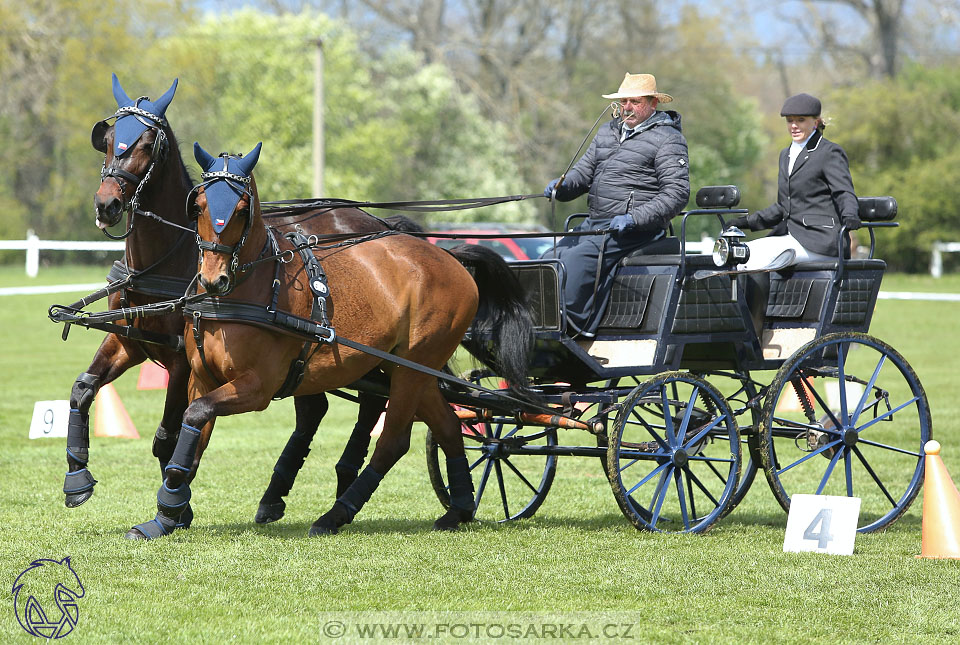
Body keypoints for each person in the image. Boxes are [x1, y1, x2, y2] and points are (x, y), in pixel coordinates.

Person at [542, 73, 689, 337]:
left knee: (575, 261)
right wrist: (561, 188)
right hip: (597, 224)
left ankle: (572, 329)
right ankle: (541, 321)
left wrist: (634, 218)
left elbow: (677, 194)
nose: (627, 108)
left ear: (653, 103)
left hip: (637, 230)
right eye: (623, 102)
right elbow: (582, 175)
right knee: (549, 259)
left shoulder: (668, 139)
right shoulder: (606, 132)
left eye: (635, 101)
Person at [725, 93, 859, 270]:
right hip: (793, 237)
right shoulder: (785, 155)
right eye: (790, 121)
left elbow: (844, 192)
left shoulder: (829, 152)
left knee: (752, 257)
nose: (794, 126)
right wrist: (747, 222)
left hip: (822, 240)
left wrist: (850, 215)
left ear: (816, 122)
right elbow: (783, 207)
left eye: (801, 120)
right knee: (740, 253)